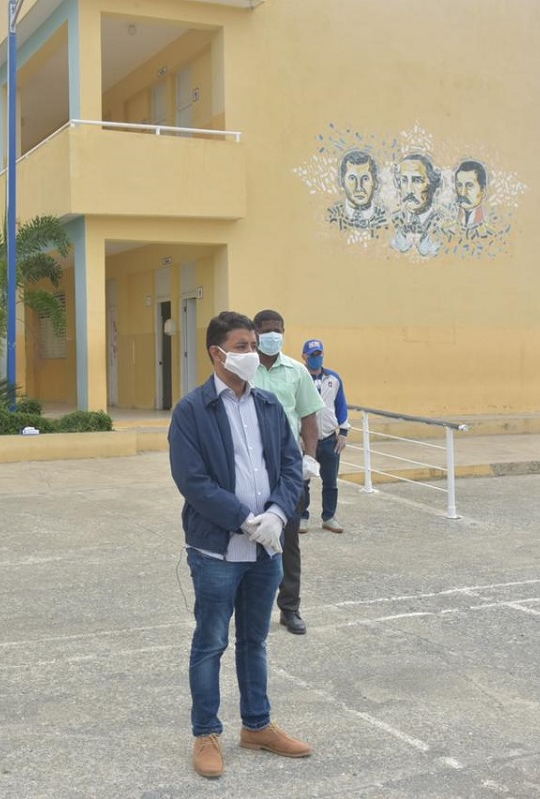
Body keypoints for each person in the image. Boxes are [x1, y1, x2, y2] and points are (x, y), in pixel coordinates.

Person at [168, 310, 312, 779]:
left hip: (266, 550)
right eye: (244, 346)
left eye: (255, 344)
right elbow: (192, 481)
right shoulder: (192, 411)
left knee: (255, 641)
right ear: (218, 352)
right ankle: (207, 732)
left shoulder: (268, 406)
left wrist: (276, 513)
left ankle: (257, 725)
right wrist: (245, 519)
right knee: (210, 643)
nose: (254, 353)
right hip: (217, 552)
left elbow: (291, 466)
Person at [251, 309, 324, 635]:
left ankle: (290, 608)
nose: (272, 335)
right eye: (266, 330)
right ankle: (251, 609)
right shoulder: (245, 370)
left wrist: (309, 458)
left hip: (287, 471)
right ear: (255, 333)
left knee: (288, 542)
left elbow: (309, 417)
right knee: (248, 538)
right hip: (250, 468)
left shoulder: (296, 372)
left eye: (277, 330)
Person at [300, 339, 350, 534]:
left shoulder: (333, 379)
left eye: (319, 354)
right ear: (304, 357)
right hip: (305, 440)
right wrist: (299, 436)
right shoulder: (300, 377)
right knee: (302, 482)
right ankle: (302, 517)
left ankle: (329, 517)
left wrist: (343, 433)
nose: (317, 358)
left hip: (330, 438)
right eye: (313, 355)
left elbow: (341, 406)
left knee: (331, 482)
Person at [390, 153, 443, 257]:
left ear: (432, 184)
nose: (409, 190)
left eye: (417, 181)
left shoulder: (444, 225)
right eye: (404, 180)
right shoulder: (390, 222)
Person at [327, 149, 386, 232]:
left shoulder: (386, 219)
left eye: (365, 179)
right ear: (342, 182)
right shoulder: (331, 217)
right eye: (352, 178)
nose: (359, 187)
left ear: (375, 183)